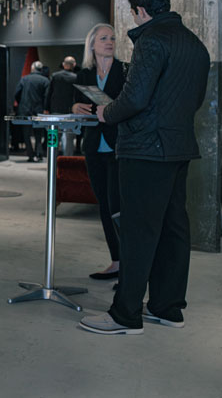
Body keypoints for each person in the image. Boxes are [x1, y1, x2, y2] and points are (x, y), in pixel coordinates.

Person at [80, 0, 210, 335]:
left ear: (140, 11)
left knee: (138, 231)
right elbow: (195, 99)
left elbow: (135, 98)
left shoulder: (151, 40)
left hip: (145, 149)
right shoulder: (194, 44)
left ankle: (125, 315)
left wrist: (106, 113)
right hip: (178, 146)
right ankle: (167, 308)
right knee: (173, 229)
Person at [71, 24, 127, 282]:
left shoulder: (125, 71)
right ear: (92, 44)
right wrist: (74, 107)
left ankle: (130, 267)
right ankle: (116, 261)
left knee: (119, 207)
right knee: (104, 206)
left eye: (112, 38)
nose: (109, 42)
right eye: (103, 38)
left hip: (119, 147)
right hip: (94, 147)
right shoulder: (84, 74)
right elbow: (76, 105)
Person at [15, 61, 50, 161]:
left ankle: (30, 154)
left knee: (26, 133)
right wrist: (45, 108)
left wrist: (21, 103)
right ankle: (39, 153)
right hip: (39, 110)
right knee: (38, 133)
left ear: (32, 68)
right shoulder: (45, 81)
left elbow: (17, 93)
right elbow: (47, 96)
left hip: (25, 109)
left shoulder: (24, 79)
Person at [48, 56, 78, 155]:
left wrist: (46, 108)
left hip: (55, 110)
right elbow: (77, 96)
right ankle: (67, 159)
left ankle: (53, 157)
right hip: (70, 112)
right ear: (74, 65)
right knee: (69, 137)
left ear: (63, 64)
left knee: (54, 135)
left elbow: (49, 93)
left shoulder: (55, 76)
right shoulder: (75, 78)